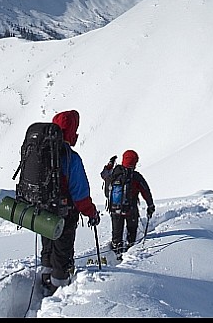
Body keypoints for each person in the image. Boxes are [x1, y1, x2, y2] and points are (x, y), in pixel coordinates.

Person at [40, 109, 100, 295]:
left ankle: (45, 279)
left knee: (48, 248)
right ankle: (58, 292)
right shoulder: (71, 158)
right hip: (64, 215)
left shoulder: (41, 153)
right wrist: (92, 213)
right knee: (62, 253)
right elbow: (80, 195)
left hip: (42, 211)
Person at [100, 149, 155, 260]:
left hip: (115, 209)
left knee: (117, 233)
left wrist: (109, 165)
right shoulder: (135, 177)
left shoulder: (115, 173)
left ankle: (116, 253)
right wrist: (150, 205)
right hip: (131, 210)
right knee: (132, 230)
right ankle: (131, 249)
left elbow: (104, 175)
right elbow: (145, 191)